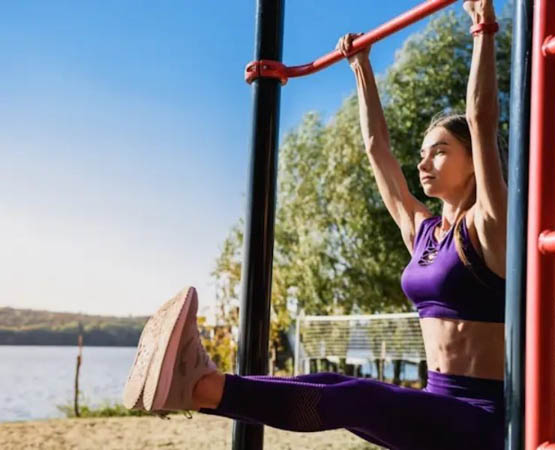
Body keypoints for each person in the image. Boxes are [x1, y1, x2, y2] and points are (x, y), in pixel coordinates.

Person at [123, 1, 507, 448]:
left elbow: (481, 120)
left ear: (474, 163)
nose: (424, 162)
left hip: (479, 416)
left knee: (357, 397)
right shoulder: (421, 232)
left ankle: (201, 386)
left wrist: (483, 26)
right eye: (422, 152)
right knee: (329, 381)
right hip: (434, 400)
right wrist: (361, 68)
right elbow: (376, 149)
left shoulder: (488, 226)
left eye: (439, 150)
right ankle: (199, 387)